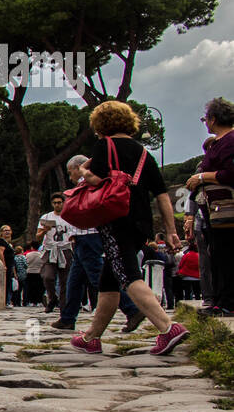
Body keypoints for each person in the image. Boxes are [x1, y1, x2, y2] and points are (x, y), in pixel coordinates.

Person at [71, 101, 187, 356]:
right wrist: (170, 229)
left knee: (128, 274)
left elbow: (96, 181)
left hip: (116, 220)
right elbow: (162, 195)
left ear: (100, 124)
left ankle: (168, 328)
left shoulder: (104, 146)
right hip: (141, 223)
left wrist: (83, 172)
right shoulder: (144, 153)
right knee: (109, 280)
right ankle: (92, 337)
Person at [55, 154, 142, 332]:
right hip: (82, 237)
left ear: (76, 168)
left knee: (99, 278)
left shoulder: (86, 179)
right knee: (75, 279)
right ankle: (67, 317)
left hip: (88, 235)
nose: (69, 176)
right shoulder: (91, 179)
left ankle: (132, 309)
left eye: (69, 171)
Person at [186, 97, 234, 314]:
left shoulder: (229, 141)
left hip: (226, 210)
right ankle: (221, 301)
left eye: (205, 118)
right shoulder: (221, 142)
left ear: (213, 119)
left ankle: (228, 303)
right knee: (219, 255)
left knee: (226, 254)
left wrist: (203, 177)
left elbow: (230, 173)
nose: (205, 122)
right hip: (214, 213)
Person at [35, 194, 72, 313]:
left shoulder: (69, 217)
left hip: (65, 248)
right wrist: (44, 231)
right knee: (48, 276)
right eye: (55, 203)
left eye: (59, 202)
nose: (57, 205)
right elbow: (37, 236)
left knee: (64, 280)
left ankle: (63, 305)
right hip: (50, 249)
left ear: (63, 203)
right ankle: (52, 297)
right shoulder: (46, 217)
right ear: (52, 204)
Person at [0, 225, 17, 307]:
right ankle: (5, 301)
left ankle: (7, 300)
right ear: (1, 233)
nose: (7, 232)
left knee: (8, 283)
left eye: (8, 230)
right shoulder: (1, 241)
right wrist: (4, 265)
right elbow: (0, 253)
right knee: (5, 283)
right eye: (5, 230)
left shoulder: (8, 243)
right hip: (4, 266)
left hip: (9, 265)